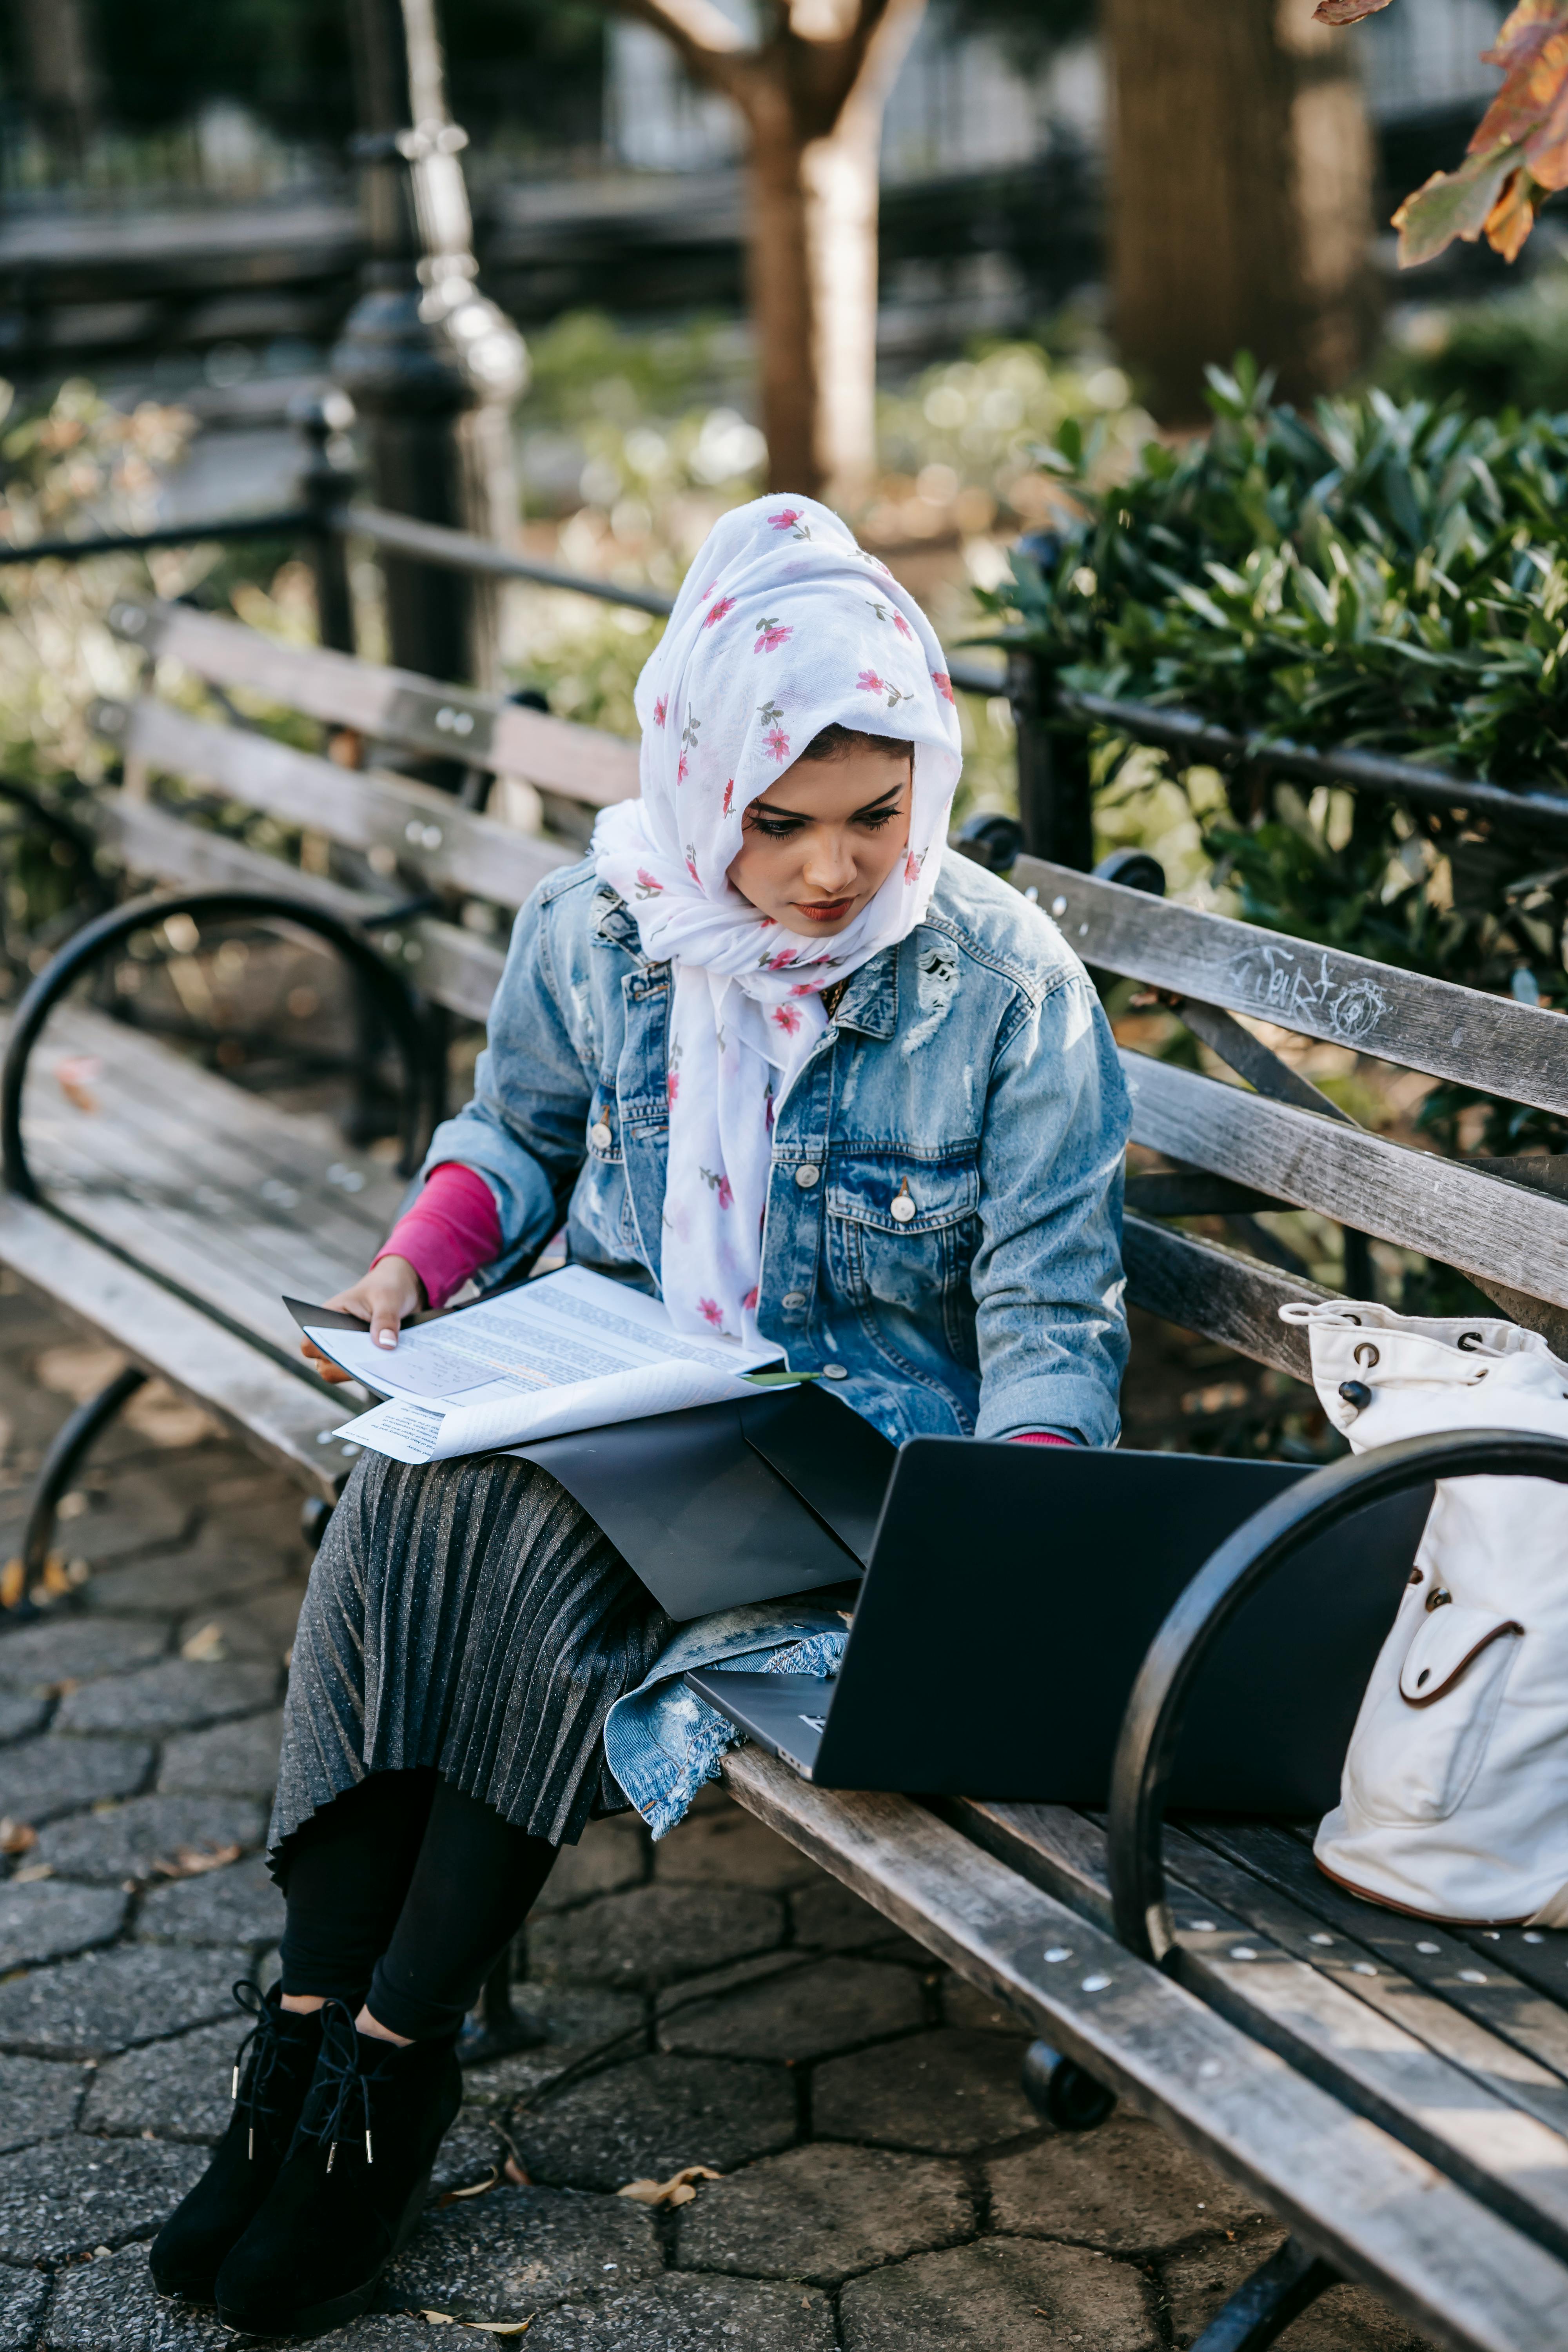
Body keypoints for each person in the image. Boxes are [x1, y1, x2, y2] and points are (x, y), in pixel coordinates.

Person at [148, 493, 1131, 2338]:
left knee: (532, 1542)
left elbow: (1048, 1303)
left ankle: (391, 2068)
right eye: (781, 825)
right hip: (628, 1377)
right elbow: (512, 1135)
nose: (833, 874)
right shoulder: (603, 925)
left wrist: (1015, 1533)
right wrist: (406, 1281)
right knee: (402, 1500)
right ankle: (303, 2049)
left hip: (861, 1464)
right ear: (700, 784)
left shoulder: (1001, 987)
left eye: (875, 814)